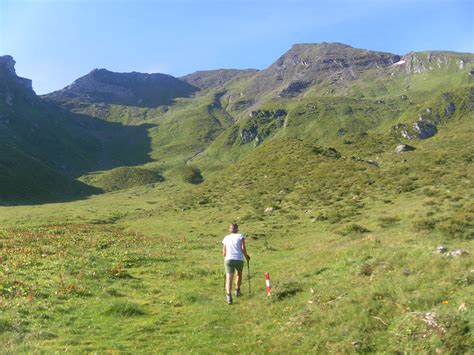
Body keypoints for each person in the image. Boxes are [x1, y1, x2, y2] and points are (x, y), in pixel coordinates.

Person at [222, 223, 250, 305]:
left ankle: (229, 296)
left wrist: (225, 258)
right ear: (237, 229)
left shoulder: (226, 238)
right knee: (239, 274)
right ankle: (237, 290)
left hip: (228, 259)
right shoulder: (241, 236)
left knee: (229, 278)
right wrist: (246, 256)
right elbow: (243, 248)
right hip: (239, 259)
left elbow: (224, 252)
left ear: (229, 229)